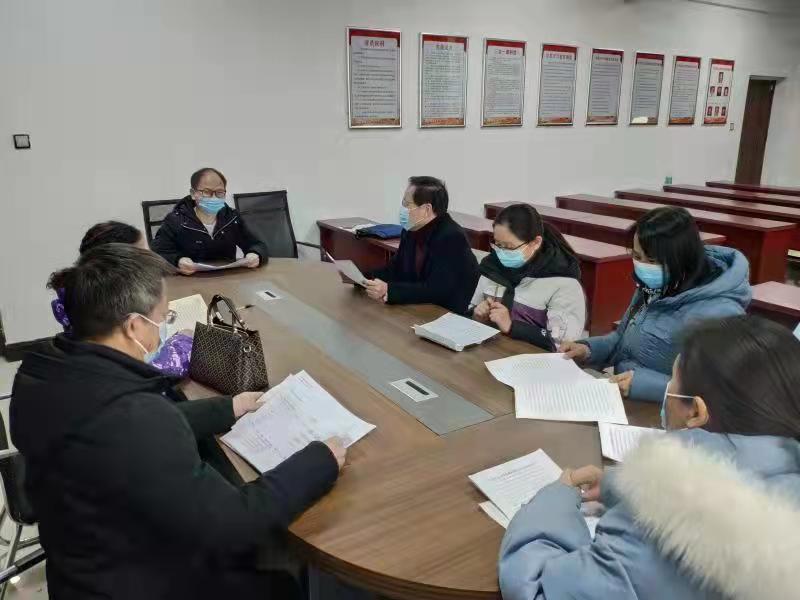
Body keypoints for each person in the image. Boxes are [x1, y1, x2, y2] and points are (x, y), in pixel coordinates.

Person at [11, 244, 346, 599]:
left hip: (79, 564)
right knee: (280, 586)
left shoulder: (43, 373)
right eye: (164, 317)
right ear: (134, 326)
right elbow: (232, 527)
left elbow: (121, 432)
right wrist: (318, 461)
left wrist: (229, 407)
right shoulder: (134, 418)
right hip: (135, 581)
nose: (162, 330)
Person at [498, 315, 800, 599]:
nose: (666, 393)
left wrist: (555, 498)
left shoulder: (666, 527)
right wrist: (627, 486)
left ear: (695, 412)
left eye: (671, 383)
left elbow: (537, 589)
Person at [561, 207, 750, 402]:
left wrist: (642, 385)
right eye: (637, 257)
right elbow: (622, 340)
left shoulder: (720, 312)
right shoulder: (655, 285)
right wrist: (587, 350)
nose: (643, 267)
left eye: (652, 260)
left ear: (683, 258)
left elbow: (715, 391)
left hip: (667, 412)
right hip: (626, 400)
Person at [49, 220, 192, 377]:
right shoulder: (108, 320)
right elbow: (139, 375)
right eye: (142, 258)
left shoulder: (83, 297)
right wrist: (183, 345)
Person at [470, 204, 585, 350]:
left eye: (509, 247)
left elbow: (563, 344)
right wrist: (478, 316)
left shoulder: (563, 283)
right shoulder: (492, 267)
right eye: (498, 245)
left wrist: (512, 326)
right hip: (493, 350)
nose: (502, 253)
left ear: (535, 243)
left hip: (535, 360)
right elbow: (472, 310)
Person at [363, 176, 479, 314]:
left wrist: (389, 290)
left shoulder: (452, 237)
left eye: (407, 204)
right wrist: (365, 279)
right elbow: (395, 268)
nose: (403, 209)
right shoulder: (411, 230)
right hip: (416, 306)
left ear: (426, 209)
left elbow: (436, 289)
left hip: (443, 313)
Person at [151, 167, 268, 275]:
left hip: (227, 278)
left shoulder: (232, 218)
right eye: (207, 192)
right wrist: (178, 260)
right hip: (189, 281)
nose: (214, 198)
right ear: (193, 194)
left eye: (219, 192)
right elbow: (156, 253)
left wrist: (256, 254)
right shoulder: (176, 220)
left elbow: (257, 244)